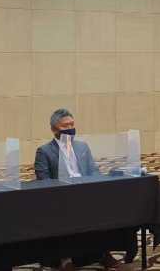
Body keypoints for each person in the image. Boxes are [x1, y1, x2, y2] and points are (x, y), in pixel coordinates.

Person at [34, 109, 119, 271]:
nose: (70, 128)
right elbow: (43, 180)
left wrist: (93, 186)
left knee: (107, 207)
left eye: (72, 124)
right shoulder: (44, 151)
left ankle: (103, 252)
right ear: (54, 130)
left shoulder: (82, 147)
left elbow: (93, 170)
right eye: (65, 126)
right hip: (61, 197)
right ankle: (66, 259)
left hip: (86, 193)